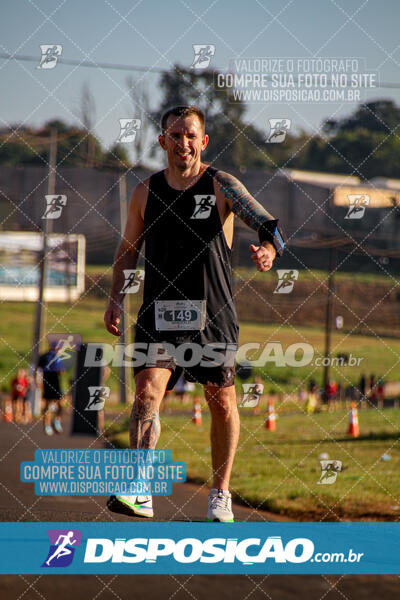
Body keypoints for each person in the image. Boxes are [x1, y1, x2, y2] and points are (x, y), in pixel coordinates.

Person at [104, 105, 285, 522]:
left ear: (203, 142)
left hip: (213, 315)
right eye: (175, 135)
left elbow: (268, 224)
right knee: (148, 391)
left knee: (221, 400)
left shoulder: (222, 185)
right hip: (158, 314)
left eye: (191, 136)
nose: (182, 143)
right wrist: (116, 296)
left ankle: (220, 495)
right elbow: (128, 251)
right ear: (162, 141)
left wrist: (269, 250)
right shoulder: (145, 192)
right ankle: (140, 488)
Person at [38, 342, 65, 436]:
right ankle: (47, 425)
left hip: (57, 383)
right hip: (48, 383)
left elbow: (62, 371)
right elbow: (38, 369)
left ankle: (56, 421)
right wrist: (37, 381)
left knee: (61, 404)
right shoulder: (45, 357)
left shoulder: (60, 357)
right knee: (48, 405)